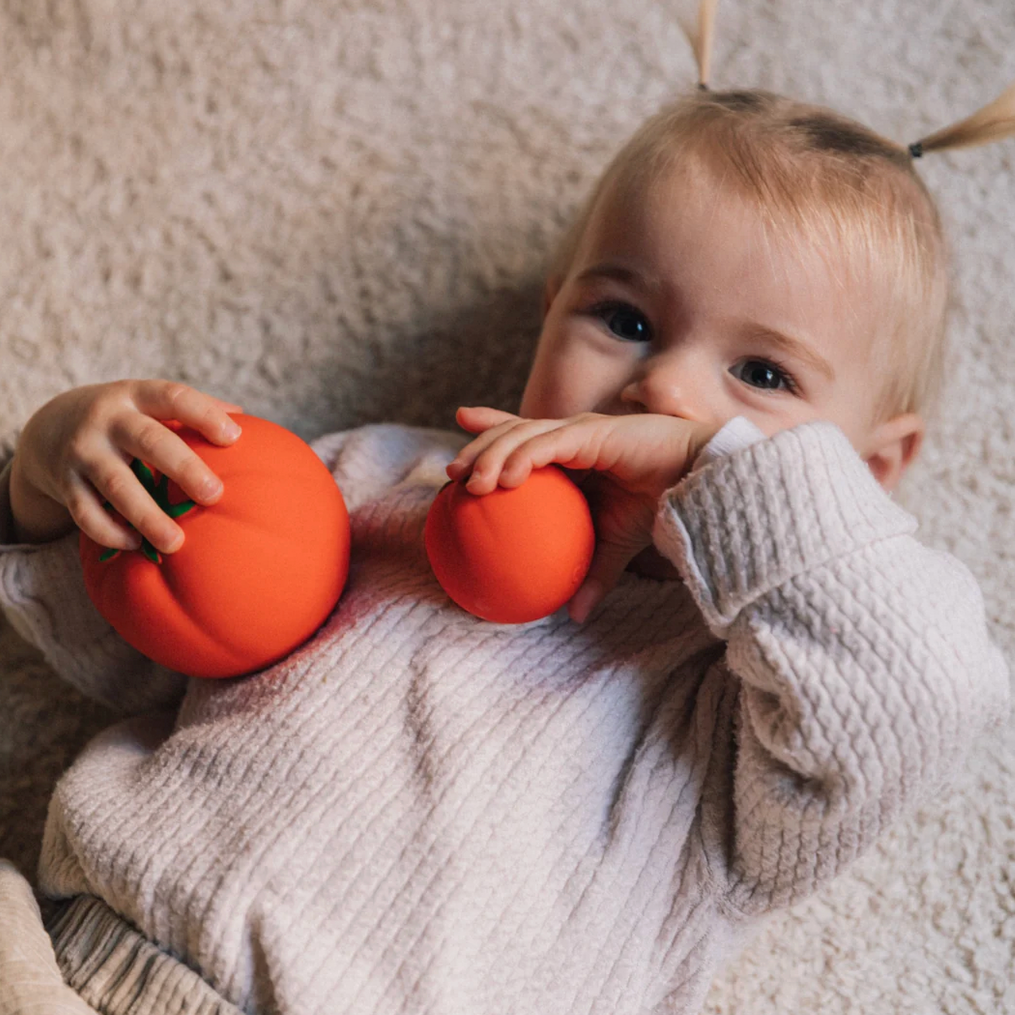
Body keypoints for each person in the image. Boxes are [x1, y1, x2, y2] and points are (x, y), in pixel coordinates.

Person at [0, 10, 1012, 1015]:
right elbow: (137, 638)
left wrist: (719, 470)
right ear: (550, 313)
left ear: (868, 472)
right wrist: (60, 481)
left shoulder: (756, 709)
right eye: (624, 320)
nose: (664, 389)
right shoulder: (381, 478)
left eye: (761, 374)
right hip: (79, 954)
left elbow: (924, 682)